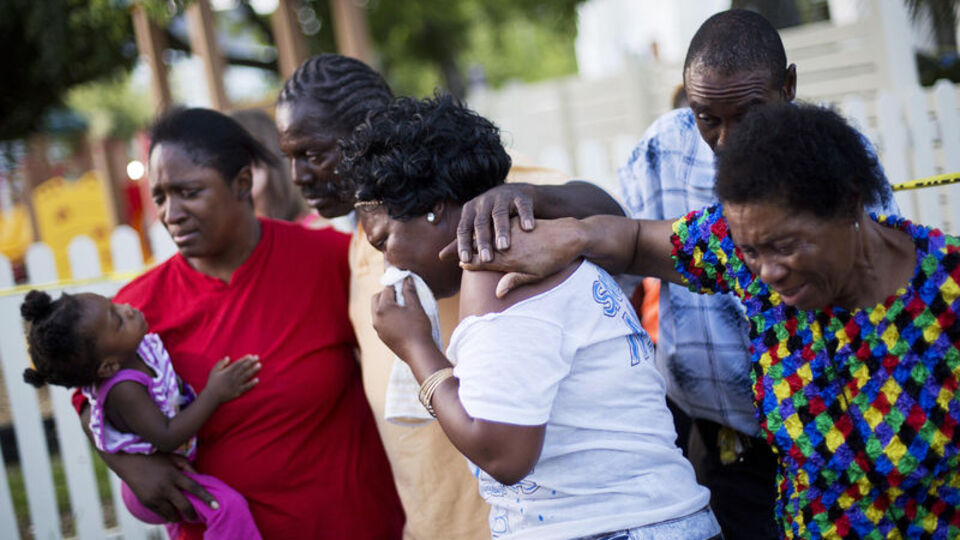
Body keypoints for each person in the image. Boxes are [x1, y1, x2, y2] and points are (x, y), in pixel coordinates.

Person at [450, 10, 900, 538]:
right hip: (725, 446)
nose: (727, 140)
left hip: (847, 452)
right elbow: (630, 236)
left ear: (788, 87)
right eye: (708, 117)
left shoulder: (835, 165)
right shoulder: (669, 158)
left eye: (748, 113)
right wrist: (558, 222)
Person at [340, 93, 720, 540]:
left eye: (384, 241)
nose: (388, 266)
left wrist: (417, 349)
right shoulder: (545, 238)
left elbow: (503, 454)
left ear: (435, 209)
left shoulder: (495, 271)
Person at [275, 53, 621, 539]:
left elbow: (612, 219)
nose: (297, 176)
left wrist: (526, 198)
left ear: (365, 131)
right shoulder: (359, 239)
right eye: (288, 157)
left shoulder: (484, 198)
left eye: (311, 154)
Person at [72, 107, 404, 539]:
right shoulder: (132, 311)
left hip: (355, 523)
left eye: (189, 192)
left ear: (242, 183)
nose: (171, 213)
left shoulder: (329, 260)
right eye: (160, 197)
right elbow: (89, 400)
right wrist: (129, 466)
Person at [22, 290, 262, 539]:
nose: (127, 308)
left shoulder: (136, 352)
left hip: (171, 465)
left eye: (114, 305)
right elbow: (167, 436)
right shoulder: (124, 389)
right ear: (108, 366)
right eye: (117, 321)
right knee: (227, 508)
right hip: (154, 481)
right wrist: (214, 393)